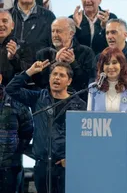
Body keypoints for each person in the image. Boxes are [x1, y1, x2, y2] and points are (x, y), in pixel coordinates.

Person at [5, 61, 86, 193]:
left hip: (65, 166)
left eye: (61, 75)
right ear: (49, 78)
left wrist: (72, 158)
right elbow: (10, 89)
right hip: (42, 166)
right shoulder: (39, 97)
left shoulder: (79, 105)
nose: (57, 78)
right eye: (54, 74)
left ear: (69, 81)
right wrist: (29, 72)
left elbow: (82, 138)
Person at [87, 47, 127, 193]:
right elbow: (89, 119)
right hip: (102, 149)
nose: (110, 67)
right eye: (106, 63)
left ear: (122, 65)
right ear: (101, 67)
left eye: (115, 62)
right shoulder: (93, 89)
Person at [33, 17, 95, 101]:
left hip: (77, 102)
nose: (55, 35)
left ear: (71, 34)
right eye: (53, 31)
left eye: (59, 31)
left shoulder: (86, 52)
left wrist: (73, 63)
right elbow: (40, 82)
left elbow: (86, 82)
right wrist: (56, 63)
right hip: (49, 102)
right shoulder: (43, 54)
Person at [9, 0, 56, 72]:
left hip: (40, 78)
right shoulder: (5, 17)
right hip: (9, 80)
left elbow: (55, 49)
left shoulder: (49, 17)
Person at [0, 83, 33, 193]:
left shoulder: (17, 103)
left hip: (9, 168)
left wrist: (15, 153)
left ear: (0, 78)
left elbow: (27, 132)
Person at [0, 10, 22, 86]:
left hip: (12, 94)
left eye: (5, 21)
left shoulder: (23, 46)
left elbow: (27, 74)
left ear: (12, 25)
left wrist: (13, 58)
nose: (0, 24)